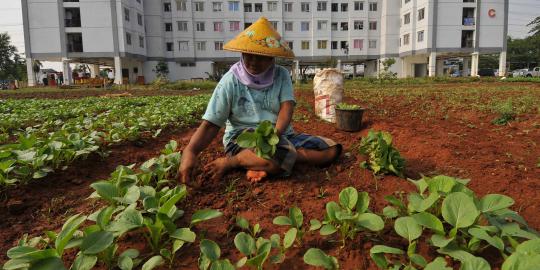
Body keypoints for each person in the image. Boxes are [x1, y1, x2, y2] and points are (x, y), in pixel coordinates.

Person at [179, 17, 342, 183]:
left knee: (331, 149)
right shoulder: (230, 81)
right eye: (248, 55)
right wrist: (190, 151)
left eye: (261, 56)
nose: (253, 62)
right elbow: (211, 124)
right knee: (283, 154)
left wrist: (275, 135)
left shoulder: (281, 75)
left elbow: (286, 108)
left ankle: (263, 162)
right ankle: (235, 161)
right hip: (243, 137)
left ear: (272, 57)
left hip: (278, 134)